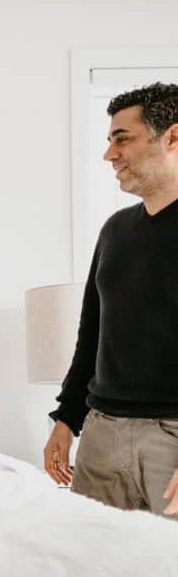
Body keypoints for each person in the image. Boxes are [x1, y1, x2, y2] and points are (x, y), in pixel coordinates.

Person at [44, 82, 178, 517]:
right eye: (109, 141)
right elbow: (93, 334)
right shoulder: (115, 230)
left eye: (123, 139)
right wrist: (66, 420)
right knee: (88, 570)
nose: (109, 155)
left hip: (171, 439)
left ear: (172, 138)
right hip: (101, 437)